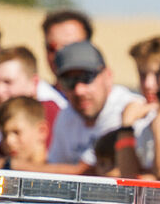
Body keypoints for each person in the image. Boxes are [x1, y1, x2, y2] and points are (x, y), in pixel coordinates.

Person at [43, 40, 135, 171]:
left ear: (108, 76)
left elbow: (87, 172)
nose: (79, 90)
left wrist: (11, 165)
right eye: (68, 81)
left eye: (87, 77)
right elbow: (53, 170)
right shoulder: (67, 114)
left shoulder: (125, 108)